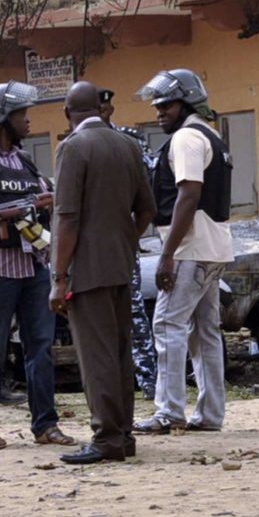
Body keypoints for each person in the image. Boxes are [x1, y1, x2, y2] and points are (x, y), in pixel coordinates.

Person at [0, 80, 76, 450]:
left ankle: (46, 425)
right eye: (22, 114)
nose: (28, 120)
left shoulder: (23, 161)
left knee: (40, 348)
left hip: (32, 268)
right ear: (2, 118)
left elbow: (41, 200)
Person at [50, 82, 156, 465]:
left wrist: (59, 277)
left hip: (86, 268)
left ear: (67, 112)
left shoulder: (72, 148)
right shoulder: (127, 145)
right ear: (100, 107)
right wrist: (124, 239)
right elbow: (147, 209)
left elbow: (67, 219)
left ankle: (107, 437)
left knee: (95, 357)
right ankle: (123, 435)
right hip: (121, 263)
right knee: (119, 352)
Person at [137, 69, 234, 434]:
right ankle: (210, 414)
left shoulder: (187, 139)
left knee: (167, 325)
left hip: (191, 248)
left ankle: (169, 411)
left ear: (187, 102)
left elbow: (188, 194)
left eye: (167, 104)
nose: (159, 111)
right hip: (215, 246)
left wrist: (167, 254)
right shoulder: (212, 136)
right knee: (204, 331)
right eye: (158, 105)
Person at [99, 88, 159, 399]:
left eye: (105, 107)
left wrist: (132, 236)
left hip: (123, 238)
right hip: (92, 246)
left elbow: (147, 187)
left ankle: (148, 381)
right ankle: (112, 385)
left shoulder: (130, 140)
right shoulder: (74, 144)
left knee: (134, 313)